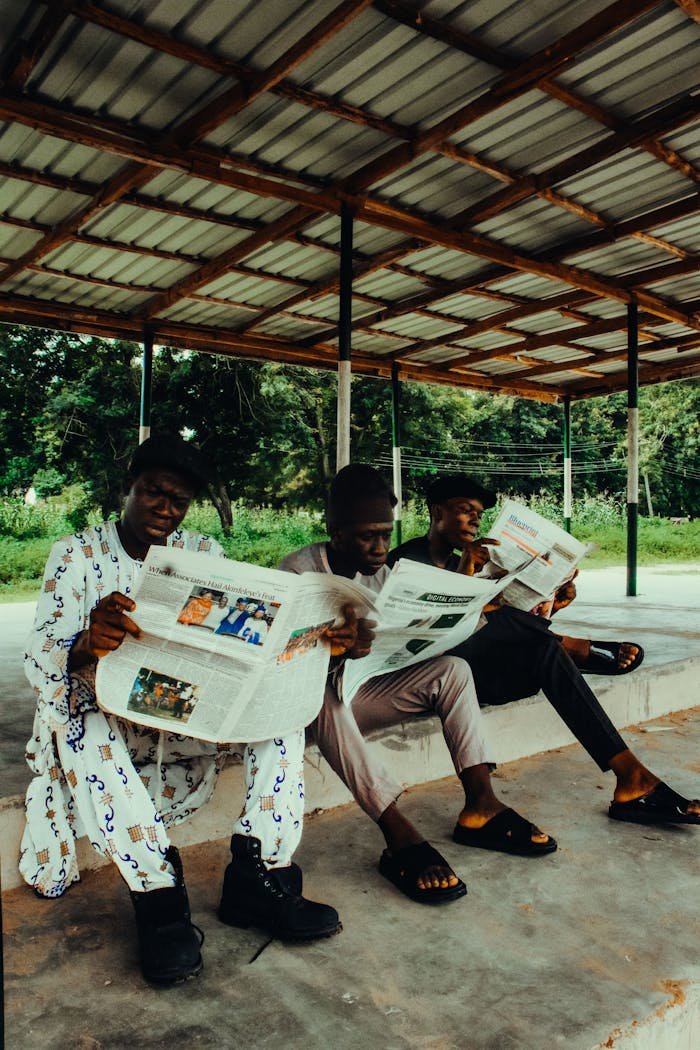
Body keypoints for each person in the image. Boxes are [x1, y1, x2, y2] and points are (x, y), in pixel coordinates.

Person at [22, 434, 342, 987]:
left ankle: (258, 875)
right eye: (154, 493)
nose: (165, 510)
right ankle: (159, 900)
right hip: (107, 712)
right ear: (129, 487)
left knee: (283, 720)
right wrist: (84, 642)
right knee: (79, 720)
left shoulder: (203, 554)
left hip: (182, 709)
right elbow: (40, 656)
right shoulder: (76, 554)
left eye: (178, 501)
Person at [279, 464, 554, 907]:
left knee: (452, 670)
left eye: (386, 534)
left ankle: (482, 803)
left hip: (365, 692)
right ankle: (397, 833)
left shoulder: (386, 571)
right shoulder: (298, 572)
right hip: (313, 703)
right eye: (368, 535)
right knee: (322, 697)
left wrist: (474, 610)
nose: (380, 547)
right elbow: (282, 662)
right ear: (335, 530)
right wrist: (333, 650)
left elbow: (410, 641)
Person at [388, 473, 699, 832]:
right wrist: (466, 580)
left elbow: (499, 632)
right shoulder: (406, 560)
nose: (475, 519)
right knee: (514, 628)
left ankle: (631, 778)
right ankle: (572, 648)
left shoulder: (474, 561)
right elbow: (422, 639)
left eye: (478, 513)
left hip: (484, 676)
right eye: (464, 510)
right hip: (437, 682)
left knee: (538, 646)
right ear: (437, 511)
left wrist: (554, 604)